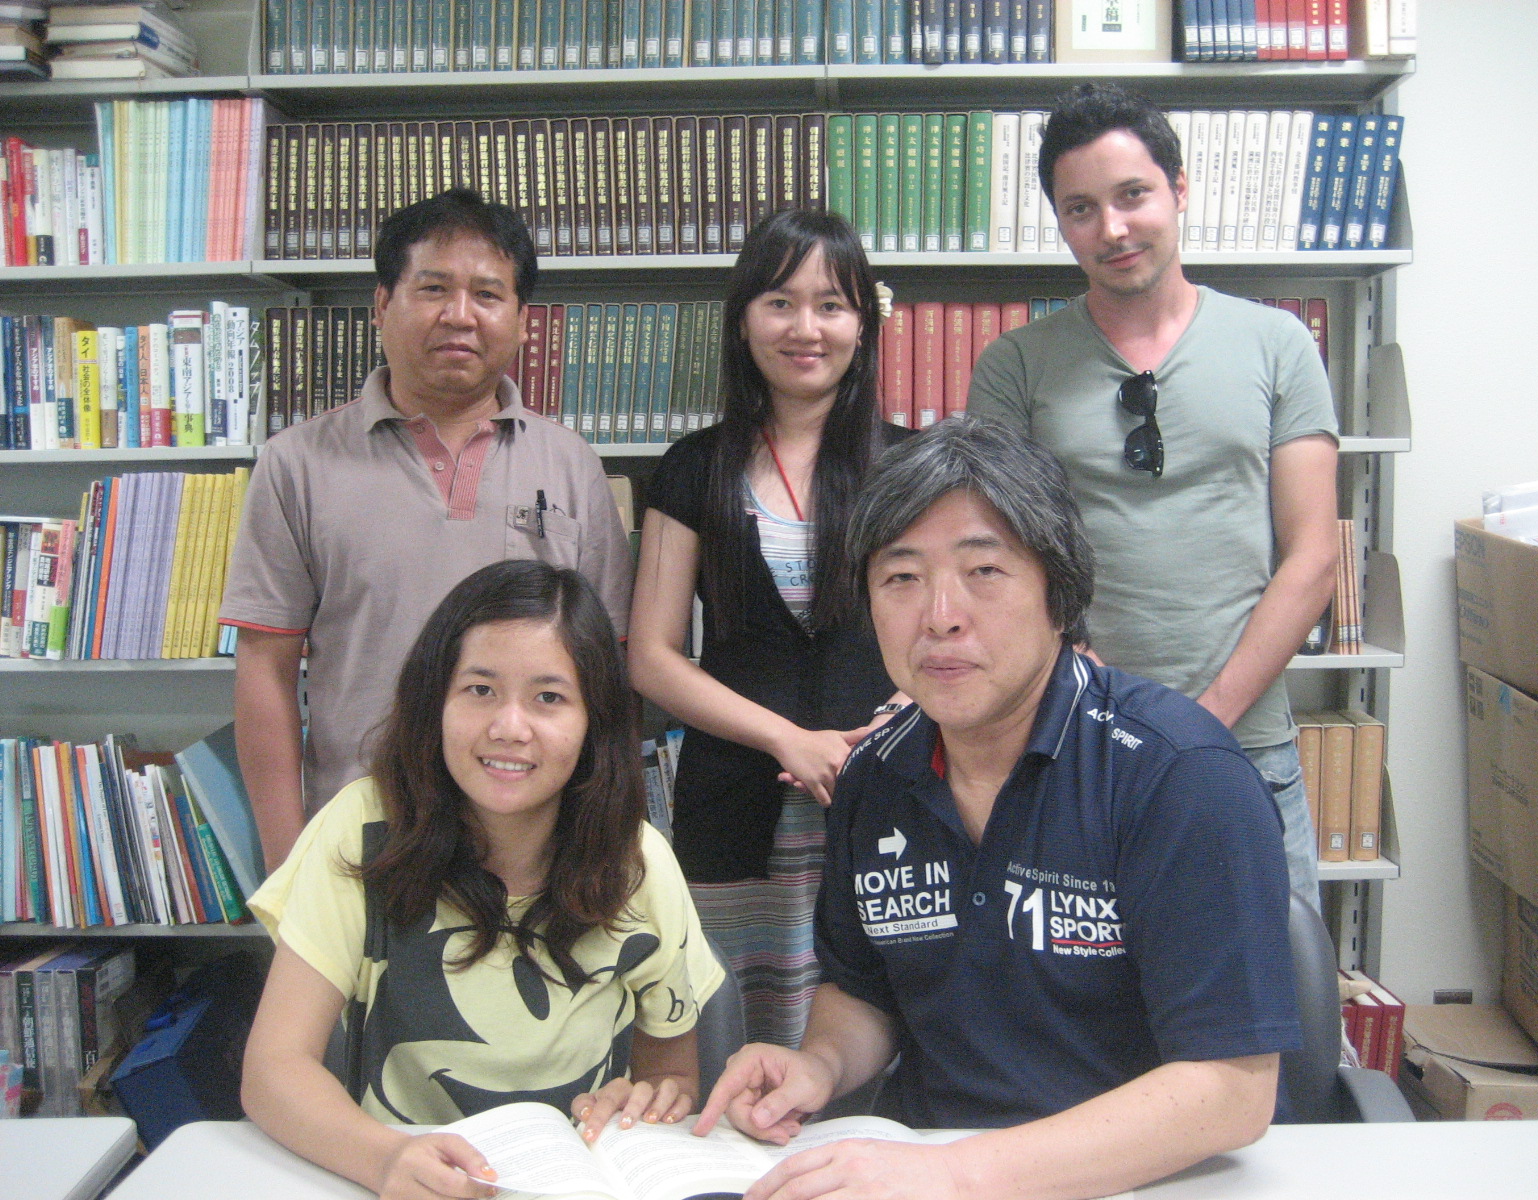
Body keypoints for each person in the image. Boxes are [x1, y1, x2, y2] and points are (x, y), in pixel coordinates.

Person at [695, 419, 1300, 1200]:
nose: (940, 615)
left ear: (1059, 594)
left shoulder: (1179, 777)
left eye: (984, 570)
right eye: (901, 577)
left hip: (1143, 1178)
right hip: (935, 1162)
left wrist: (956, 1176)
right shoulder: (873, 778)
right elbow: (866, 989)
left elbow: (1232, 1089)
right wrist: (820, 1064)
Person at [241, 559, 723, 1200]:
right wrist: (386, 1160)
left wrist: (646, 1102)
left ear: (595, 722)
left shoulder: (637, 862)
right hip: (400, 1180)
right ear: (435, 701)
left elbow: (673, 1079)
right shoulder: (362, 829)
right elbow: (272, 1069)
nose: (509, 728)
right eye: (480, 690)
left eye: (549, 698)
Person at [966, 83, 1339, 909]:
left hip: (1247, 748)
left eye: (1132, 195)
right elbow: (994, 552)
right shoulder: (1015, 366)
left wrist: (1200, 723)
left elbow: (1313, 558)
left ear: (1179, 189)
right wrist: (1082, 677)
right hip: (1072, 744)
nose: (1112, 228)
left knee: (1278, 980)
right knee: (1085, 988)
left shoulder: (1279, 344)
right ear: (1060, 222)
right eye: (1081, 209)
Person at [221, 188, 633, 872]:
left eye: (488, 295)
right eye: (434, 288)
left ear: (522, 321)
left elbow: (608, 669)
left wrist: (597, 838)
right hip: (362, 833)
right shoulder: (297, 463)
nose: (459, 315)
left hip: (534, 841)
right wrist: (288, 866)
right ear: (382, 304)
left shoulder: (571, 463)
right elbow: (265, 668)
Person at [628, 208, 912, 1049]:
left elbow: (950, 631)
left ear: (863, 324)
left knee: (877, 1012)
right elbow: (651, 657)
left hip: (885, 788)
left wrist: (899, 719)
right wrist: (787, 739)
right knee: (734, 1027)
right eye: (780, 302)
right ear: (743, 318)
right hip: (734, 803)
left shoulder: (913, 466)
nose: (805, 328)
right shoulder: (693, 469)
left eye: (831, 305)